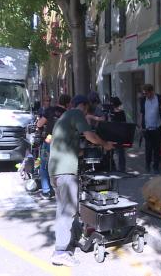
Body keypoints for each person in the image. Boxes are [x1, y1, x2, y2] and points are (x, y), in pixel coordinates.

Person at [48, 95, 114, 267]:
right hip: (65, 172)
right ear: (83, 106)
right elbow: (91, 136)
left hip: (55, 170)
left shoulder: (63, 119)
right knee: (68, 211)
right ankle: (60, 252)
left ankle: (68, 241)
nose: (87, 112)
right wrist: (104, 144)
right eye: (87, 109)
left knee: (63, 210)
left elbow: (70, 150)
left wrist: (86, 152)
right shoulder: (77, 114)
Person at [36, 94, 71, 199]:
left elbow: (39, 124)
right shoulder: (68, 114)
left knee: (44, 166)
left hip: (49, 139)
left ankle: (46, 191)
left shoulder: (50, 110)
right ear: (68, 103)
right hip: (62, 142)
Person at [139, 84, 161, 174]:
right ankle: (147, 165)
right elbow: (141, 113)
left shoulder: (159, 98)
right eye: (144, 93)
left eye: (146, 93)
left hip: (157, 127)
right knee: (148, 148)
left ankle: (156, 167)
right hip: (147, 129)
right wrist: (140, 125)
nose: (145, 95)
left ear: (152, 91)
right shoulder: (143, 100)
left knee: (157, 149)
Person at [110, 96, 127, 172]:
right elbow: (124, 123)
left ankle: (114, 168)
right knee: (120, 153)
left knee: (113, 152)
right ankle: (122, 169)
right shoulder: (121, 112)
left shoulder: (111, 112)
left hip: (114, 134)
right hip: (119, 134)